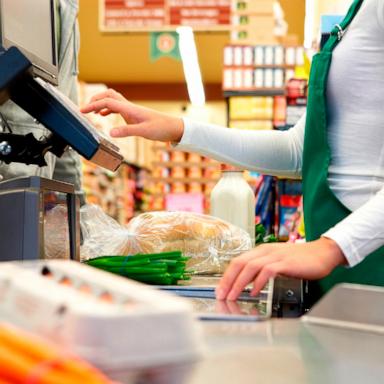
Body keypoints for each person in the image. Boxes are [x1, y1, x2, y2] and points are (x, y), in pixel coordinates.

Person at [81, 0, 384, 303]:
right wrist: (179, 129)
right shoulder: (358, 11)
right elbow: (298, 150)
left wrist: (333, 247)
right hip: (346, 263)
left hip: (369, 253)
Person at [0, 0, 84, 202]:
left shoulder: (66, 12)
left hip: (33, 207)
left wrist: (78, 212)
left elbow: (65, 121)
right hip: (9, 200)